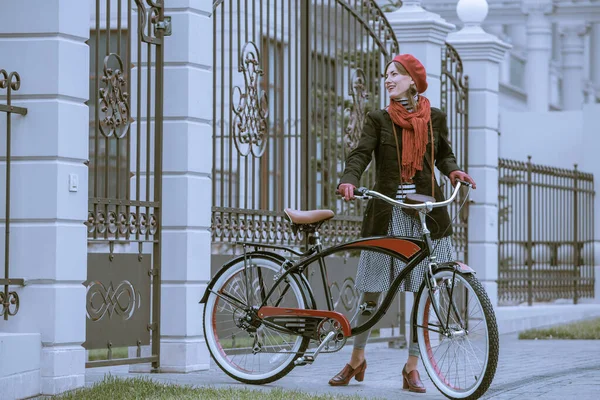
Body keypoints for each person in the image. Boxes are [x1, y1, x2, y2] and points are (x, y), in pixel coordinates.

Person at [330, 54, 476, 392]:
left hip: (427, 216)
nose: (388, 79)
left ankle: (412, 367)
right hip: (387, 213)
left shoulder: (435, 118)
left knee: (426, 293)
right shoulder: (378, 119)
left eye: (395, 74)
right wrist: (349, 179)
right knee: (371, 289)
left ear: (413, 80)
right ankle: (356, 359)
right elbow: (360, 154)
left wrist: (453, 171)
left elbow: (443, 155)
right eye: (386, 75)